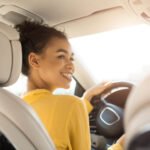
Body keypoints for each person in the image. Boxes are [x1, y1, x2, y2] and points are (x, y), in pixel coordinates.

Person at [16, 21, 122, 150]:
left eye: (71, 58)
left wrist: (86, 99)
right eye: (61, 56)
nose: (71, 65)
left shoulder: (16, 108)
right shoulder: (71, 105)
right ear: (35, 60)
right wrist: (121, 145)